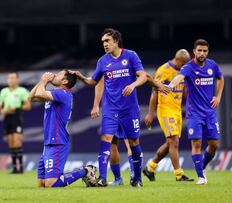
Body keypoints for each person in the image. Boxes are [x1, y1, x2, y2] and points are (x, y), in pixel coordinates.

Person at [72, 28, 165, 187]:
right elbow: (93, 81)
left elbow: (143, 76)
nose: (105, 44)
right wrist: (80, 76)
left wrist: (133, 84)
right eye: (103, 42)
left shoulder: (130, 55)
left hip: (129, 109)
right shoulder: (102, 61)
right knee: (106, 139)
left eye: (107, 41)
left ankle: (137, 179)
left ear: (116, 41)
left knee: (134, 142)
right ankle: (102, 177)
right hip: (110, 109)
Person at [166, 39, 224, 185]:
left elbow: (221, 78)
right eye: (199, 50)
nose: (202, 53)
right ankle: (201, 177)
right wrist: (171, 86)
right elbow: (179, 77)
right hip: (194, 114)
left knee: (214, 144)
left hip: (210, 113)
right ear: (194, 51)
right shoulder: (188, 67)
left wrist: (218, 96)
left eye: (204, 51)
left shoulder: (212, 65)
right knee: (196, 144)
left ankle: (202, 166)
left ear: (207, 52)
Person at [29, 70, 97, 187]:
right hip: (48, 143)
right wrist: (41, 81)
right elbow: (31, 97)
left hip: (58, 142)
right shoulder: (56, 93)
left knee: (51, 183)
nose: (55, 75)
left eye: (59, 74)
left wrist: (44, 80)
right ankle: (85, 172)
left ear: (64, 81)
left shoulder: (63, 94)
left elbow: (40, 93)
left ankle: (86, 171)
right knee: (41, 184)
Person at [143, 49, 194, 182]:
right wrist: (150, 113)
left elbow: (183, 93)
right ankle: (179, 174)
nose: (184, 67)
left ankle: (150, 167)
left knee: (170, 143)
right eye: (183, 65)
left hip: (177, 110)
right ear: (178, 61)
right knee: (174, 142)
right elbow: (154, 92)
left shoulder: (182, 71)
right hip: (165, 109)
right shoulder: (163, 70)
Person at [91, 77, 134, 186]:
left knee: (130, 143)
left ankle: (134, 177)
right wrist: (96, 105)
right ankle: (118, 179)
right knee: (112, 144)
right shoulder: (105, 65)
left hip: (125, 109)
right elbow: (97, 82)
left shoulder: (126, 62)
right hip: (111, 110)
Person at [0, 72, 31, 173]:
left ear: (17, 79)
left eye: (13, 78)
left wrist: (16, 108)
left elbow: (28, 106)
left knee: (17, 141)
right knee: (11, 142)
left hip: (17, 117)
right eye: (9, 78)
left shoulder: (22, 91)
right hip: (7, 118)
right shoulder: (4, 91)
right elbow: (0, 106)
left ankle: (20, 167)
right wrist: (3, 110)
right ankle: (14, 167)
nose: (10, 80)